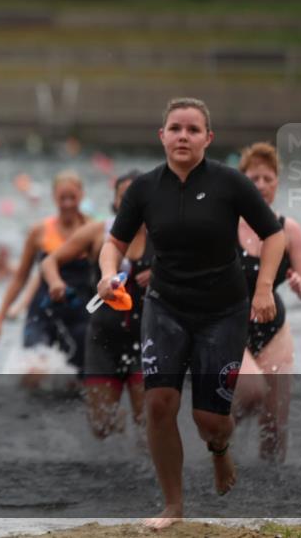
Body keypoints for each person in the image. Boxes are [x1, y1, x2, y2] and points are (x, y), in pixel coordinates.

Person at [96, 98, 285, 530]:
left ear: (208, 138)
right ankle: (173, 506)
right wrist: (109, 275)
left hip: (223, 310)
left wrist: (262, 290)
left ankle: (219, 450)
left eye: (193, 130)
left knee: (210, 419)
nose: (183, 136)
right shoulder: (145, 188)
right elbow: (114, 243)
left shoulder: (231, 182)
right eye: (175, 128)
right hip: (166, 306)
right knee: (159, 403)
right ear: (161, 135)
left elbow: (273, 236)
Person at [40, 171, 150, 438]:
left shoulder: (164, 233)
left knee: (147, 424)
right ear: (115, 203)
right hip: (104, 337)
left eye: (137, 198)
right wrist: (56, 283)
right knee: (100, 428)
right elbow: (49, 261)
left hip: (147, 337)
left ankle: (150, 472)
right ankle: (118, 420)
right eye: (125, 198)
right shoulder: (99, 231)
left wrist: (162, 276)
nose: (130, 204)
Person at [232, 142, 301, 462]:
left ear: (277, 182)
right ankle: (214, 439)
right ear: (243, 183)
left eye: (268, 179)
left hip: (273, 329)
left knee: (275, 427)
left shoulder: (288, 229)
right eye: (254, 179)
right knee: (250, 391)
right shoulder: (226, 224)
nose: (262, 186)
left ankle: (274, 500)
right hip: (231, 325)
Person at [0, 171, 93, 376]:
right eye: (63, 198)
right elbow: (20, 277)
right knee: (34, 373)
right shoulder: (40, 231)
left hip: (80, 314)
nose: (68, 203)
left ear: (81, 195)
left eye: (73, 197)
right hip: (43, 311)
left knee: (79, 381)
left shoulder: (93, 230)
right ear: (54, 197)